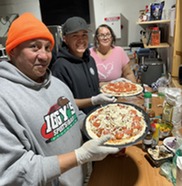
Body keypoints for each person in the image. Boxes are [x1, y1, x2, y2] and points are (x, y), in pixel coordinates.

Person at [0, 13, 120, 186]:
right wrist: (80, 156)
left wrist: (104, 126)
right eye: (34, 47)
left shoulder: (56, 84)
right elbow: (14, 172)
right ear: (12, 51)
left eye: (48, 48)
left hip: (82, 176)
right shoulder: (4, 99)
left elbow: (75, 116)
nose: (44, 56)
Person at [51, 17, 116, 114]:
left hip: (97, 116)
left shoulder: (90, 60)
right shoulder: (60, 67)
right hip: (78, 122)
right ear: (65, 39)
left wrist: (113, 84)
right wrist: (93, 101)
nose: (81, 40)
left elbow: (93, 87)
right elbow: (62, 103)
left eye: (84, 35)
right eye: (75, 36)